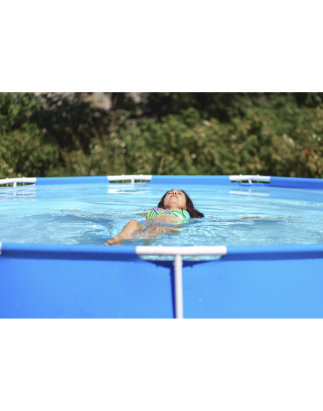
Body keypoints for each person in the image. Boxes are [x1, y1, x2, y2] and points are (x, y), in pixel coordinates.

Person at [105, 189, 204, 245]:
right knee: (132, 223)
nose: (174, 193)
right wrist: (112, 214)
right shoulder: (154, 211)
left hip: (170, 225)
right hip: (147, 225)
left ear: (187, 206)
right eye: (169, 193)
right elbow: (131, 213)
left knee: (160, 226)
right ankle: (119, 240)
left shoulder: (184, 212)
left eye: (179, 194)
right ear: (163, 202)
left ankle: (148, 241)